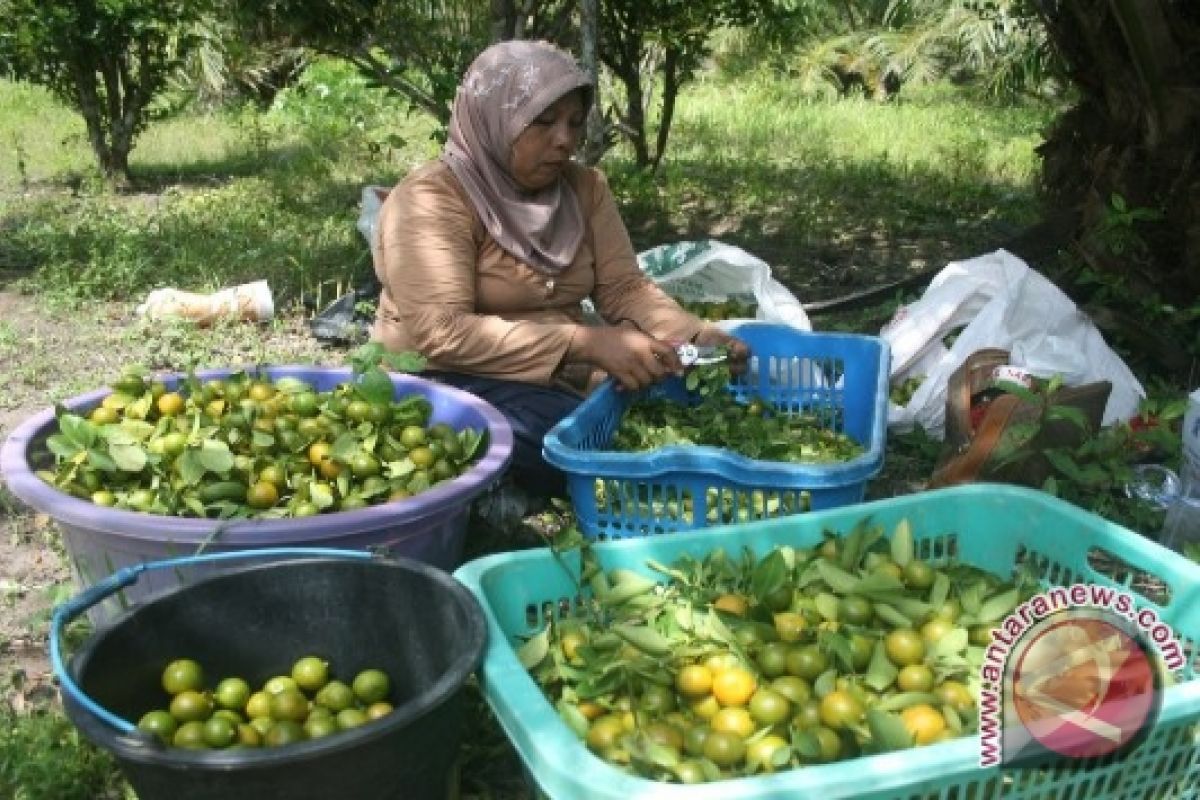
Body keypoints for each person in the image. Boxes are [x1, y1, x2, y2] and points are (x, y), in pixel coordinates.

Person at [371, 39, 749, 519]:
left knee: (662, 405)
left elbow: (623, 288)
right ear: (493, 122)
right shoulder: (434, 199)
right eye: (543, 123)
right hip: (443, 374)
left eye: (574, 123)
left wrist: (696, 335)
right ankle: (484, 490)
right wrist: (584, 344)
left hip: (554, 369)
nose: (564, 140)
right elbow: (441, 333)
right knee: (563, 440)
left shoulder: (584, 188)